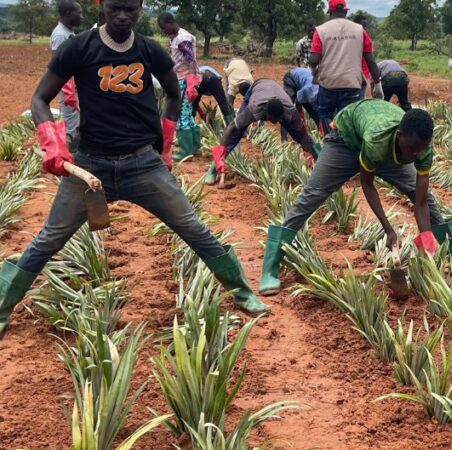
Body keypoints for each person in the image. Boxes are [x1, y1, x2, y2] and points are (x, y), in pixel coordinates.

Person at [0, 0, 269, 339]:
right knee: (48, 239)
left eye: (131, 8)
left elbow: (174, 94)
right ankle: (2, 306)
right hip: (89, 165)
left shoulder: (149, 50)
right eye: (116, 8)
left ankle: (242, 291)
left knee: (193, 228)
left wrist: (165, 143)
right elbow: (39, 99)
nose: (123, 15)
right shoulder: (78, 47)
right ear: (103, 6)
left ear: (140, 8)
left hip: (142, 164)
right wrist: (52, 142)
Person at [257, 100, 452, 295]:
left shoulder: (419, 148)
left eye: (421, 149)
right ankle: (270, 267)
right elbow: (367, 184)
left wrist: (426, 237)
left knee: (428, 199)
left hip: (387, 149)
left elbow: (420, 202)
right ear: (399, 135)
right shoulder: (377, 140)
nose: (416, 155)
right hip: (345, 142)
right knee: (312, 195)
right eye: (412, 148)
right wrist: (389, 229)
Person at [206, 78, 320, 185]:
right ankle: (214, 168)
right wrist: (219, 155)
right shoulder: (253, 108)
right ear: (265, 113)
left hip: (275, 90)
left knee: (297, 134)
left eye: (278, 120)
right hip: (257, 88)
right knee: (237, 134)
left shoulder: (289, 111)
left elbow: (303, 134)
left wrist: (308, 153)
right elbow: (231, 128)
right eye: (273, 119)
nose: (275, 123)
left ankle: (320, 160)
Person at [310, 0, 383, 133]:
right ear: (345, 11)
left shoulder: (320, 31)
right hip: (351, 84)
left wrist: (314, 69)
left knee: (325, 114)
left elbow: (313, 59)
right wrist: (377, 84)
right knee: (348, 119)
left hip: (328, 84)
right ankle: (346, 148)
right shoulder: (360, 30)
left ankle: (328, 142)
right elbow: (370, 59)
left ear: (330, 11)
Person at [158, 12, 201, 161]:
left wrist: (190, 77)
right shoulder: (178, 37)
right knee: (188, 113)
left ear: (171, 23)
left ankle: (185, 151)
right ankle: (194, 147)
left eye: (164, 28)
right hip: (186, 77)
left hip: (184, 79)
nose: (164, 31)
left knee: (182, 113)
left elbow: (190, 59)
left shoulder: (182, 38)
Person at [50, 0, 83, 152]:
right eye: (79, 13)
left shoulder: (69, 33)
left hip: (75, 88)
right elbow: (61, 66)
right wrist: (70, 94)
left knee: (77, 125)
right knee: (71, 128)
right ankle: (67, 161)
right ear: (69, 14)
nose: (82, 17)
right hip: (69, 90)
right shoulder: (60, 35)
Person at [282, 67, 321, 137]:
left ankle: (321, 133)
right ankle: (284, 139)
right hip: (291, 78)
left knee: (315, 113)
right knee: (287, 108)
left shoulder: (325, 92)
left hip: (305, 83)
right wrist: (300, 115)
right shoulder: (310, 90)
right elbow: (298, 100)